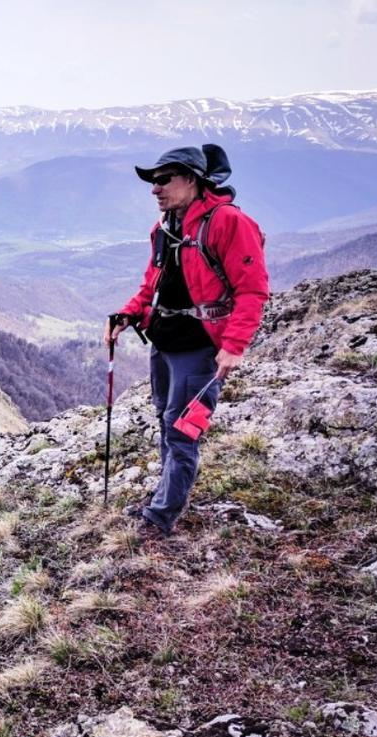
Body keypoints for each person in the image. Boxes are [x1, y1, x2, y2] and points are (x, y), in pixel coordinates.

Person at [105, 144, 269, 537]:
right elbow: (153, 282)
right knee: (166, 420)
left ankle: (161, 516)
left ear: (192, 180)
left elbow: (253, 291)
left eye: (163, 180)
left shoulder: (229, 223)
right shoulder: (164, 228)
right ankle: (165, 496)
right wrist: (128, 313)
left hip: (200, 347)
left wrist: (233, 346)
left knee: (182, 430)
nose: (154, 189)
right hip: (164, 339)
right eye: (152, 181)